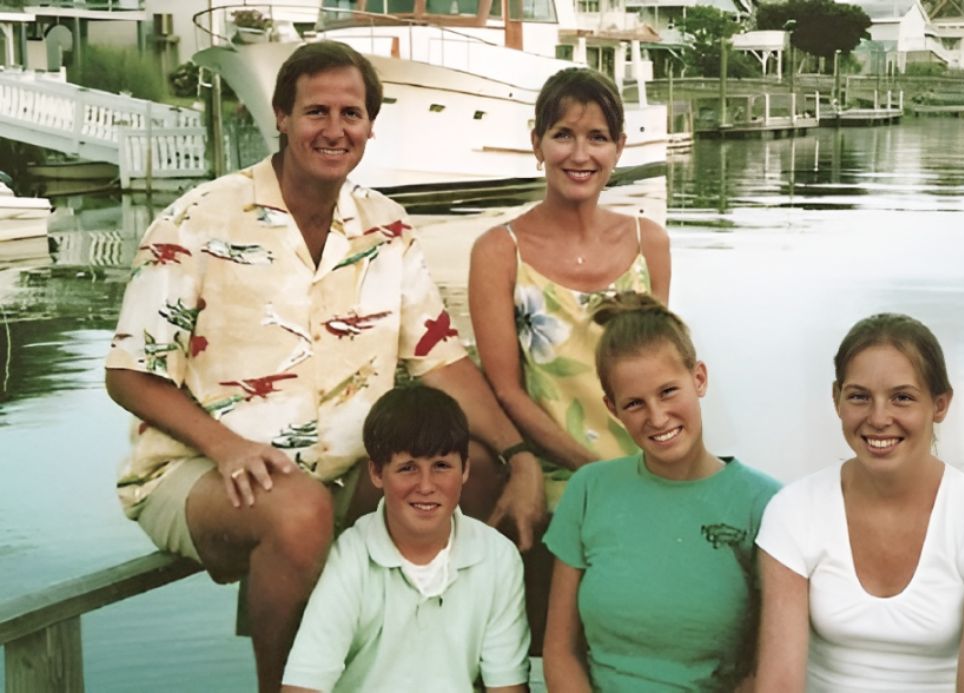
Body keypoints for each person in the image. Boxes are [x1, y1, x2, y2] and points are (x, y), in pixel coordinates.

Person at [104, 41, 544, 692]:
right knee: (297, 510)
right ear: (279, 116)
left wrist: (521, 454)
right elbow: (129, 372)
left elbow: (443, 362)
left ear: (370, 125)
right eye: (316, 111)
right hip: (198, 471)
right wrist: (225, 447)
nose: (334, 130)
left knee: (474, 470)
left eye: (351, 113)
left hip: (342, 474)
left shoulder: (385, 228)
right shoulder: (198, 219)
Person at [755, 313, 964, 692]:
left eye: (902, 398)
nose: (879, 418)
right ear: (837, 400)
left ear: (940, 404)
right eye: (859, 397)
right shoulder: (794, 511)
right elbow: (779, 685)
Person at [542, 293, 781, 692]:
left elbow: (765, 669)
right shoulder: (589, 490)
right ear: (613, 409)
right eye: (634, 403)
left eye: (668, 391)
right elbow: (560, 652)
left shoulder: (764, 503)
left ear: (699, 378)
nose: (656, 417)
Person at [469, 66, 671, 510]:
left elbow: (658, 372)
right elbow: (507, 391)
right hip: (553, 471)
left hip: (649, 463)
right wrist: (591, 472)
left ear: (619, 148)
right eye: (563, 135)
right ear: (536, 143)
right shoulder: (499, 252)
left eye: (597, 138)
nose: (580, 155)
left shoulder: (648, 242)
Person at [281, 385, 530, 693]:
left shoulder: (498, 557)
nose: (426, 486)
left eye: (441, 466)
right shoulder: (351, 558)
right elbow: (304, 685)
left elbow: (506, 687)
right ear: (376, 472)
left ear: (464, 469)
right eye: (407, 468)